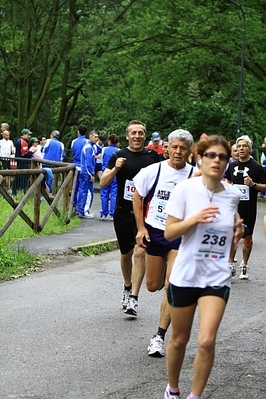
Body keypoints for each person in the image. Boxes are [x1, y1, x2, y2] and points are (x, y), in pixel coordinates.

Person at [163, 135, 244, 399]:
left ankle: (195, 396)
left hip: (216, 276)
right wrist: (196, 219)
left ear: (227, 162)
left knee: (207, 340)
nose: (217, 161)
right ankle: (172, 389)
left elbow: (231, 232)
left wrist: (236, 233)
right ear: (199, 157)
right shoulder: (185, 189)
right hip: (186, 274)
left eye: (222, 157)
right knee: (179, 339)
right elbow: (170, 232)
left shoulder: (232, 195)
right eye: (211, 155)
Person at [133, 129, 194, 357]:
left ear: (189, 151)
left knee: (171, 286)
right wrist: (140, 228)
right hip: (155, 231)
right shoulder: (153, 171)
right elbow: (138, 195)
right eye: (174, 147)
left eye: (183, 148)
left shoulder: (196, 175)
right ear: (167, 147)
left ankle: (159, 336)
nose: (178, 152)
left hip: (180, 236)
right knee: (153, 285)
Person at [100, 120, 159, 316]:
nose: (137, 136)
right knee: (126, 255)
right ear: (127, 136)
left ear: (145, 136)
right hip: (123, 211)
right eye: (133, 133)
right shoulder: (118, 155)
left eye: (140, 133)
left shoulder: (153, 157)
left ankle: (134, 298)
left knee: (140, 251)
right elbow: (103, 183)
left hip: (146, 212)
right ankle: (127, 286)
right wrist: (116, 169)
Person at [225, 135, 266, 279]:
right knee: (232, 235)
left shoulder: (257, 167)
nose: (241, 149)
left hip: (249, 208)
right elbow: (226, 180)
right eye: (239, 146)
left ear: (250, 148)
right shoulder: (232, 165)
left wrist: (253, 185)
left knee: (247, 237)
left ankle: (244, 264)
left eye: (244, 146)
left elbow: (265, 186)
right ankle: (230, 265)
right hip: (233, 207)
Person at [76, 130, 99, 219]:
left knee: (82, 190)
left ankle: (80, 209)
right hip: (86, 173)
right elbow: (88, 162)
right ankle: (84, 211)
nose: (97, 139)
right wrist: (91, 174)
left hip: (84, 172)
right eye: (95, 137)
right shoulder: (89, 147)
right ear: (90, 137)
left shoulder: (89, 147)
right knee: (88, 192)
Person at [99, 133, 119, 220]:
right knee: (114, 193)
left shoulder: (103, 149)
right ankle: (112, 213)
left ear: (109, 141)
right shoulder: (119, 150)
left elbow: (101, 160)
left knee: (104, 193)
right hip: (115, 172)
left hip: (105, 171)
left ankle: (104, 213)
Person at [71, 125, 88, 213]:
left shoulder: (74, 141)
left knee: (74, 187)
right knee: (83, 188)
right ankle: (80, 207)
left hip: (75, 165)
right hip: (83, 166)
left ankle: (73, 205)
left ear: (78, 131)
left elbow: (72, 150)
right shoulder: (87, 142)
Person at [13, 128, 36, 194]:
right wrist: (32, 152)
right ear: (24, 134)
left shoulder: (19, 140)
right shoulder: (23, 142)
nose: (29, 136)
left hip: (19, 161)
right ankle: (22, 192)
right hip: (22, 162)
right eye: (28, 135)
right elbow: (24, 154)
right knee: (24, 177)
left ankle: (15, 192)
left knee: (18, 176)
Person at [0, 129, 15, 194]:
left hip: (8, 159)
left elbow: (13, 150)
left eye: (8, 135)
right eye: (6, 135)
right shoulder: (0, 142)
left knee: (8, 173)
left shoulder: (10, 142)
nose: (7, 136)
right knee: (3, 173)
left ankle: (8, 188)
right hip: (2, 158)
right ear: (3, 135)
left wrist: (13, 153)